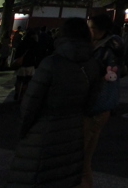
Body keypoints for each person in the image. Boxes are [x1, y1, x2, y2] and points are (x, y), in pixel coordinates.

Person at [6, 17, 101, 188]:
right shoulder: (92, 65)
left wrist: (23, 129)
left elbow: (31, 102)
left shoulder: (51, 63)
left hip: (44, 130)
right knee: (64, 176)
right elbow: (92, 103)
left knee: (36, 176)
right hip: (74, 132)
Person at [83, 14, 123, 188]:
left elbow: (100, 75)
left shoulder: (106, 49)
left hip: (95, 102)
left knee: (81, 156)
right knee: (85, 155)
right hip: (103, 103)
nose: (89, 30)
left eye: (91, 27)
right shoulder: (111, 46)